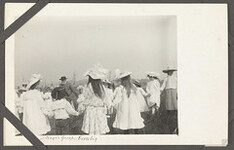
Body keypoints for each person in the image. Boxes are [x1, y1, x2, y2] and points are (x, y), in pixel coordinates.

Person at [77, 66, 110, 135]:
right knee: (100, 127)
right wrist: (106, 106)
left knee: (91, 127)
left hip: (90, 109)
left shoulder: (87, 86)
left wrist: (82, 106)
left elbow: (85, 97)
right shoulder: (102, 87)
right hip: (99, 109)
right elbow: (106, 98)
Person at [161, 66, 178, 133]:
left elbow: (177, 85)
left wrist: (177, 92)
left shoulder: (175, 78)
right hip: (167, 91)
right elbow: (163, 85)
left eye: (171, 71)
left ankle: (174, 111)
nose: (170, 72)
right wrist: (160, 90)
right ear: (167, 72)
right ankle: (169, 110)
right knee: (168, 102)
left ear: (173, 72)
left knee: (174, 102)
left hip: (174, 90)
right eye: (169, 71)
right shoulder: (166, 79)